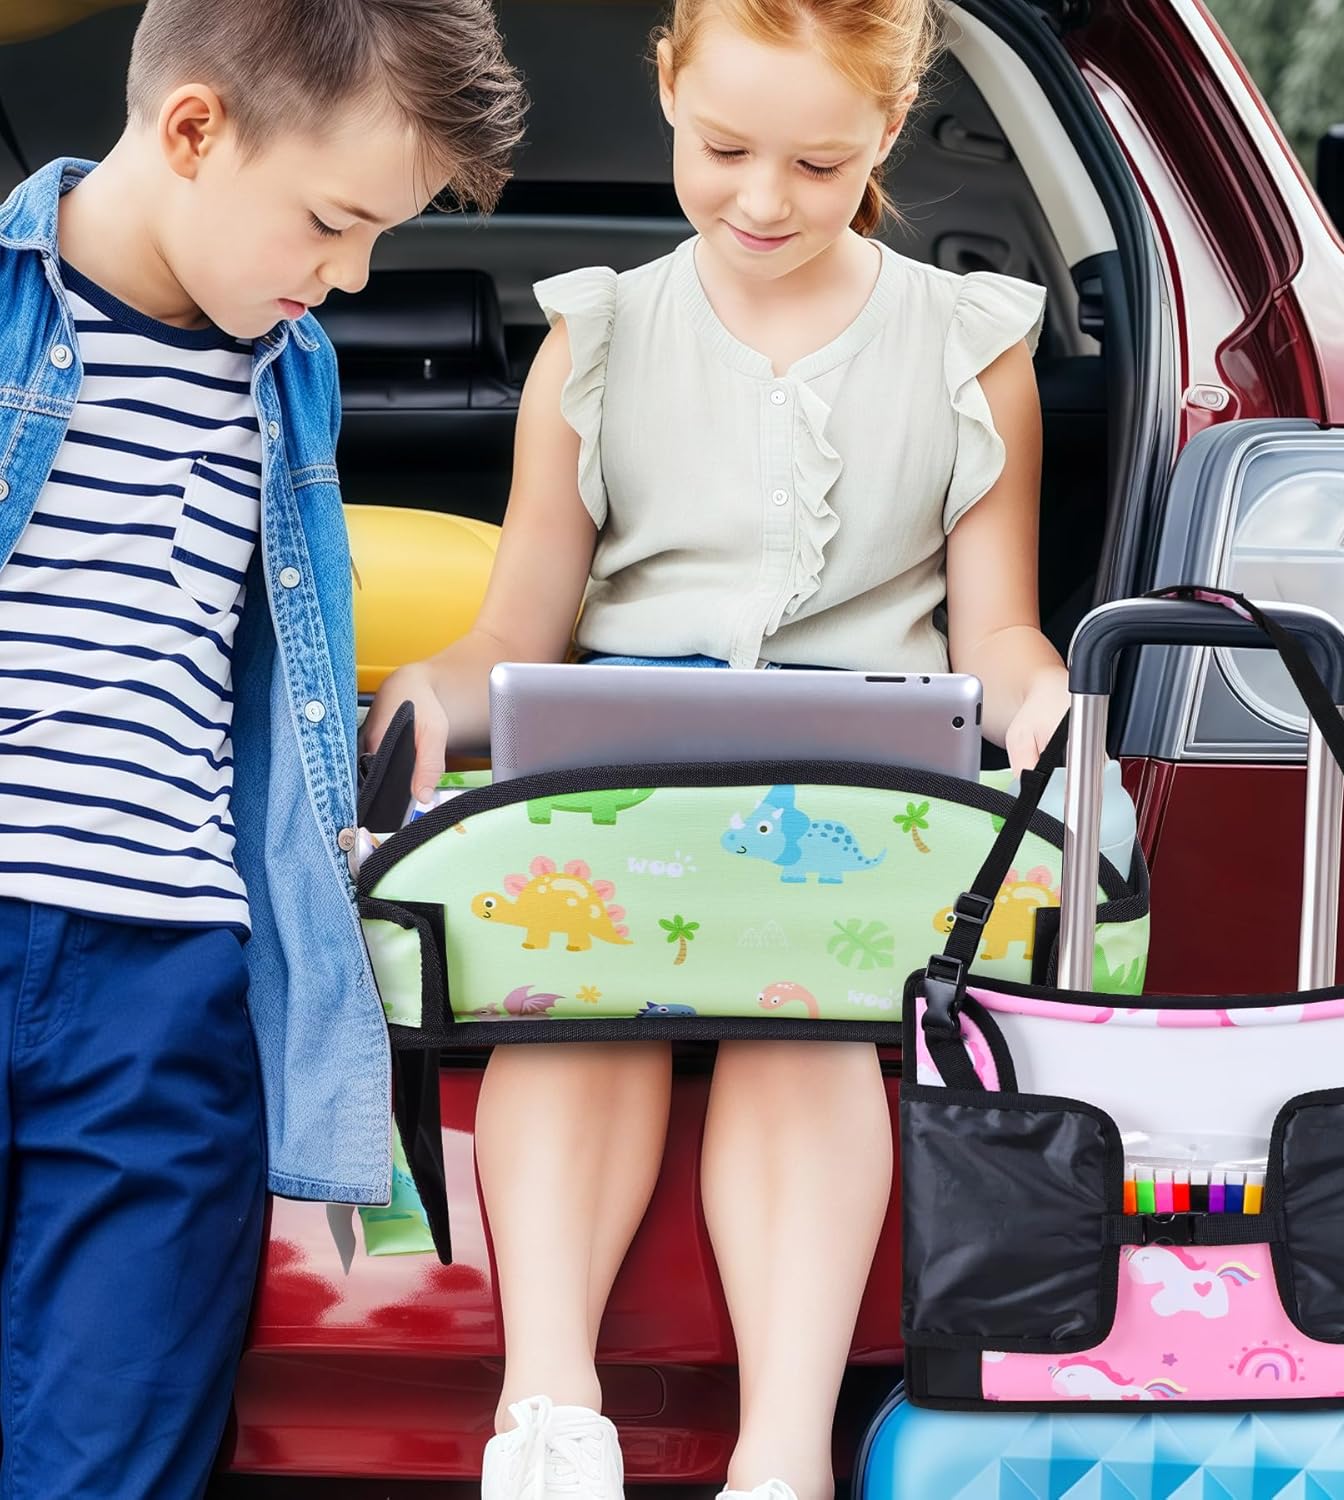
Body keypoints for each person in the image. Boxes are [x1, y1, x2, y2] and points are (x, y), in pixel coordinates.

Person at [364, 1, 1068, 1495]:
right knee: (577, 1003)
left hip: (863, 796)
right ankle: (547, 1416)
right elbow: (514, 636)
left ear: (888, 131)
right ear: (669, 87)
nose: (763, 200)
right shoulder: (598, 336)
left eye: (818, 165)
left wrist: (1041, 700)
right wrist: (423, 695)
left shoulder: (971, 348)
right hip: (625, 792)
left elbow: (999, 630)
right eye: (726, 149)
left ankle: (781, 1456)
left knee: (799, 1023)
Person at [0, 3, 523, 1495]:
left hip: (171, 990)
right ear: (192, 130)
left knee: (112, 1454)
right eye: (334, 223)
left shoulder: (286, 378)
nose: (350, 276)